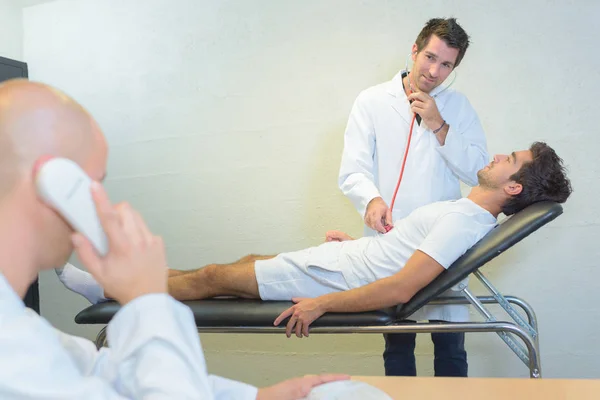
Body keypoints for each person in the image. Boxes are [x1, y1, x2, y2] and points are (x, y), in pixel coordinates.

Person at [0, 79, 348, 399]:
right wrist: (145, 300)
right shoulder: (11, 356)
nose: (105, 204)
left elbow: (104, 373)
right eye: (94, 183)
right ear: (57, 185)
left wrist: (257, 397)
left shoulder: (20, 331)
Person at [61, 142, 572, 344]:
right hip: (343, 260)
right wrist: (355, 242)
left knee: (214, 278)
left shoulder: (466, 223)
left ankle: (107, 290)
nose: (500, 154)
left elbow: (400, 289)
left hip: (334, 278)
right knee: (231, 268)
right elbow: (403, 259)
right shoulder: (464, 213)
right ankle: (112, 288)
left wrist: (323, 303)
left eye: (511, 158)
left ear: (513, 187)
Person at [338, 17, 489, 377]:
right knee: (398, 345)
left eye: (446, 64)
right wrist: (371, 200)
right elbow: (352, 169)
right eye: (430, 57)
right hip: (392, 244)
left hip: (443, 246)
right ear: (415, 50)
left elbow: (479, 173)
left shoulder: (458, 108)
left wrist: (439, 125)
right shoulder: (372, 101)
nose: (435, 71)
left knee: (451, 348)